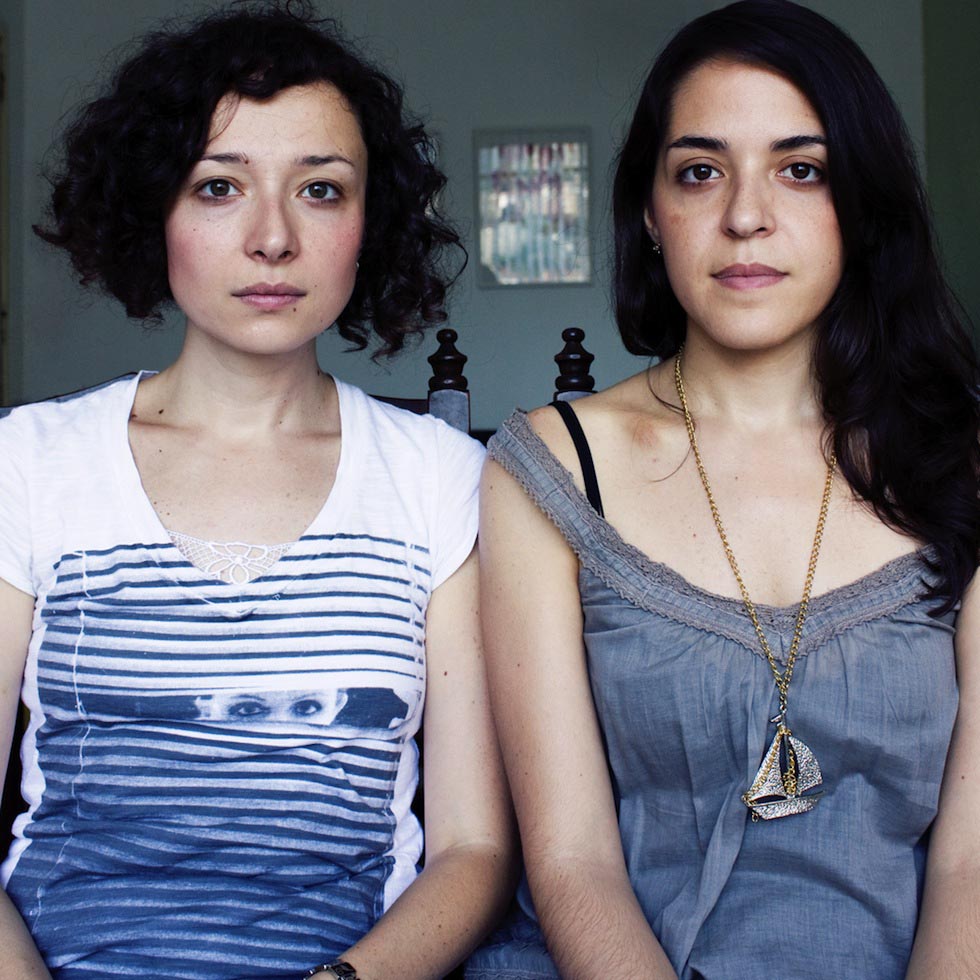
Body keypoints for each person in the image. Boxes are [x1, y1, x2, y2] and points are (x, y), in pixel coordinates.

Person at [0, 5, 514, 978]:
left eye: (320, 189)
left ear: (369, 222)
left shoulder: (438, 477)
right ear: (154, 208)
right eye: (218, 186)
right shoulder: (27, 462)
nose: (272, 237)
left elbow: (472, 850)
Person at [468, 1, 980, 978]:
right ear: (649, 212)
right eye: (699, 171)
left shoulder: (963, 460)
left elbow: (970, 862)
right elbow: (573, 862)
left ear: (862, 204)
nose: (746, 215)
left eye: (801, 169)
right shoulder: (550, 465)